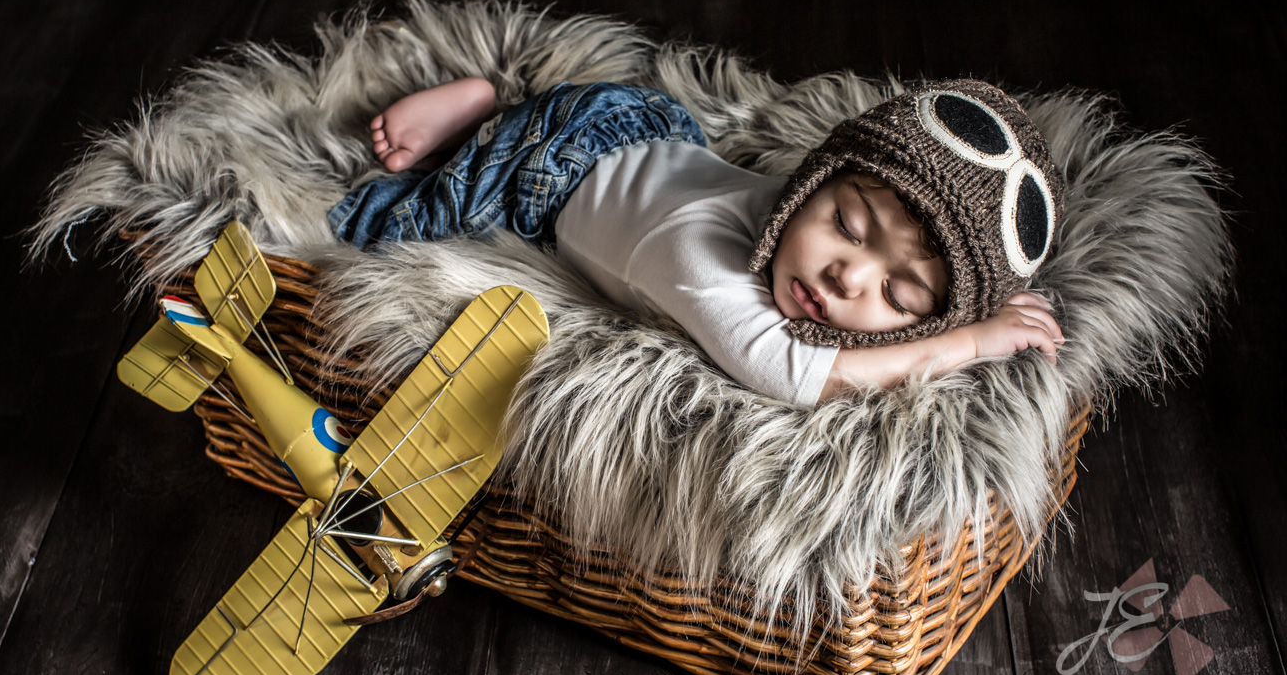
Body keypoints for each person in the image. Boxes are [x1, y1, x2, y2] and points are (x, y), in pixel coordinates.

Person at [328, 77, 1065, 405]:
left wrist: (975, 312)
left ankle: (494, 111)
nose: (847, 277)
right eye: (845, 226)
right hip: (550, 163)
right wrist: (972, 343)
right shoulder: (697, 253)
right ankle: (478, 116)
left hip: (658, 132)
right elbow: (796, 375)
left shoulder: (816, 231)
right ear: (811, 183)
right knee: (395, 227)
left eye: (899, 295)